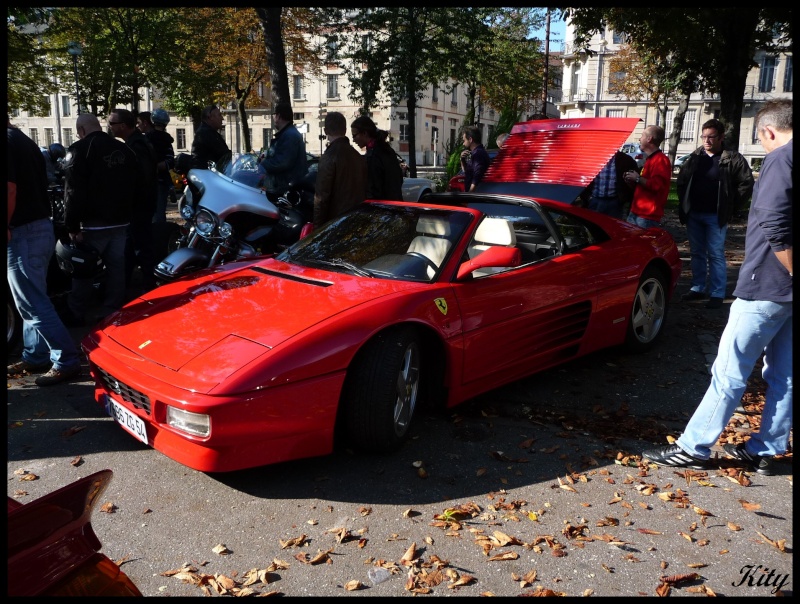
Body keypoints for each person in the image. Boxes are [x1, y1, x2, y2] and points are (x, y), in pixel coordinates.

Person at [642, 99, 792, 477]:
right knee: (785, 374)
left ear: (768, 132)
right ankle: (766, 449)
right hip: (785, 293)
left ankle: (694, 446)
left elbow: (774, 221)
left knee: (729, 371)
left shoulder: (779, 159)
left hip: (766, 285)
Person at [7, 115, 82, 387]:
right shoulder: (24, 141)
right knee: (31, 298)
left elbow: (9, 189)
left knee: (31, 302)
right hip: (37, 227)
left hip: (22, 231)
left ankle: (66, 359)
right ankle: (36, 354)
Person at [62, 113, 139, 325]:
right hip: (121, 219)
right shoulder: (125, 149)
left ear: (81, 130)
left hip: (94, 222)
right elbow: (137, 185)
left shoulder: (80, 150)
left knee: (84, 268)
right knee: (117, 266)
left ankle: (77, 311)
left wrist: (72, 224)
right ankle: (113, 308)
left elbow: (73, 191)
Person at [677, 119, 754, 310]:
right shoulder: (695, 157)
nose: (707, 140)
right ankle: (697, 287)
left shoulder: (732, 159)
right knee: (696, 253)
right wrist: (684, 203)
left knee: (716, 254)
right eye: (704, 136)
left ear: (721, 137)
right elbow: (682, 180)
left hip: (715, 216)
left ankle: (717, 293)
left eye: (711, 137)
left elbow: (746, 183)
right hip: (694, 213)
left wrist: (732, 206)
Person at [109, 108, 158, 291]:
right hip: (140, 205)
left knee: (140, 246)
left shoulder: (136, 146)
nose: (110, 127)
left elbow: (143, 178)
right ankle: (131, 285)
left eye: (112, 123)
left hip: (139, 206)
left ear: (122, 125)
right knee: (134, 246)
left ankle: (146, 286)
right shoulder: (137, 142)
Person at [312, 111, 366, 229]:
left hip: (336, 224)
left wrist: (317, 230)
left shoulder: (329, 157)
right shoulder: (357, 156)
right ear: (345, 130)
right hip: (357, 220)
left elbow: (321, 198)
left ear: (326, 131)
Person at [623, 125, 671, 227]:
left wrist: (637, 178)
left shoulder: (660, 160)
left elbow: (656, 185)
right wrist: (632, 180)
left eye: (642, 136)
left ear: (649, 139)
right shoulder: (650, 159)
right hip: (637, 211)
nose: (640, 139)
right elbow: (643, 185)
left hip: (647, 216)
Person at [351, 114, 403, 201]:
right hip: (394, 205)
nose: (353, 139)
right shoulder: (385, 149)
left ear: (365, 133)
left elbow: (374, 189)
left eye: (354, 135)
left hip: (382, 208)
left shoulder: (374, 155)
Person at [260, 102, 308, 195]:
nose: (273, 118)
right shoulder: (289, 133)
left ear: (278, 116)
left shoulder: (289, 135)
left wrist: (263, 163)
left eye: (273, 115)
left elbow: (281, 162)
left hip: (287, 189)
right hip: (287, 187)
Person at [145, 108, 176, 224]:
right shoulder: (166, 140)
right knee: (159, 212)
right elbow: (170, 161)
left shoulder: (146, 138)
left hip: (148, 180)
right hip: (161, 180)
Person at [586, 151, 639, 219]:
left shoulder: (625, 159)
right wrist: (588, 197)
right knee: (593, 226)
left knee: (612, 227)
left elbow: (634, 182)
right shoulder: (593, 158)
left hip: (615, 202)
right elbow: (581, 176)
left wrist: (623, 199)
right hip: (595, 200)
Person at [191, 105, 231, 169]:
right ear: (210, 117)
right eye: (219, 115)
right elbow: (224, 155)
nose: (222, 118)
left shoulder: (208, 132)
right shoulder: (206, 133)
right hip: (208, 175)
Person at [459, 125, 491, 192]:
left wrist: (469, 196)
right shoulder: (475, 153)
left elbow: (476, 177)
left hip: (475, 197)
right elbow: (465, 171)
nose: (463, 144)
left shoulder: (478, 154)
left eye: (464, 140)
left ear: (470, 139)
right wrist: (462, 159)